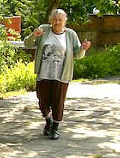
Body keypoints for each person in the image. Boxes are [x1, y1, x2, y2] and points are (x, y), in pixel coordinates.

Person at [25, 9, 91, 140]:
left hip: (61, 74)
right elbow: (27, 43)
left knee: (58, 102)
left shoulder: (71, 34)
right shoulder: (43, 29)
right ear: (50, 20)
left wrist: (83, 49)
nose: (57, 22)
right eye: (54, 19)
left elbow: (77, 54)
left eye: (60, 19)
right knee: (42, 101)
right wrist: (34, 36)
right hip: (43, 73)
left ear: (64, 21)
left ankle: (55, 127)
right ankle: (48, 120)